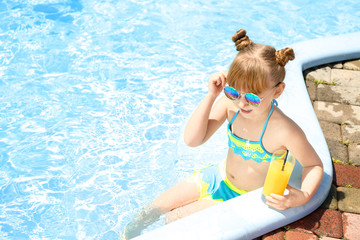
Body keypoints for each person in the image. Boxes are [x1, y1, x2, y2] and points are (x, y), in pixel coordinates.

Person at [121, 29, 323, 239]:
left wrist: (304, 196)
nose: (242, 103)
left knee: (173, 220)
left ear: (277, 91)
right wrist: (212, 96)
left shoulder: (283, 129)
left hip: (240, 196)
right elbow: (192, 140)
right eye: (234, 92)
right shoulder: (230, 106)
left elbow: (314, 164)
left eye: (253, 98)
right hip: (217, 175)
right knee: (153, 209)